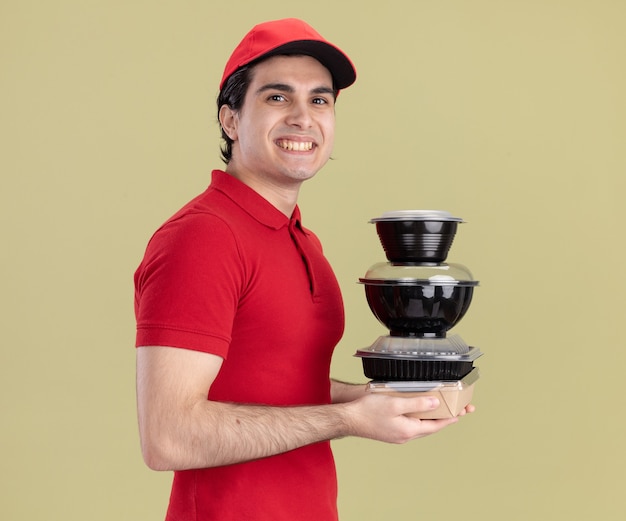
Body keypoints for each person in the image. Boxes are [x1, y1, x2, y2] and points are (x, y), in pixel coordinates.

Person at [134, 18, 474, 521]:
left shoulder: (299, 238)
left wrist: (382, 397)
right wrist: (350, 419)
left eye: (320, 100)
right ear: (230, 120)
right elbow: (169, 436)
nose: (303, 117)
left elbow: (274, 382)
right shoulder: (203, 237)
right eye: (277, 98)